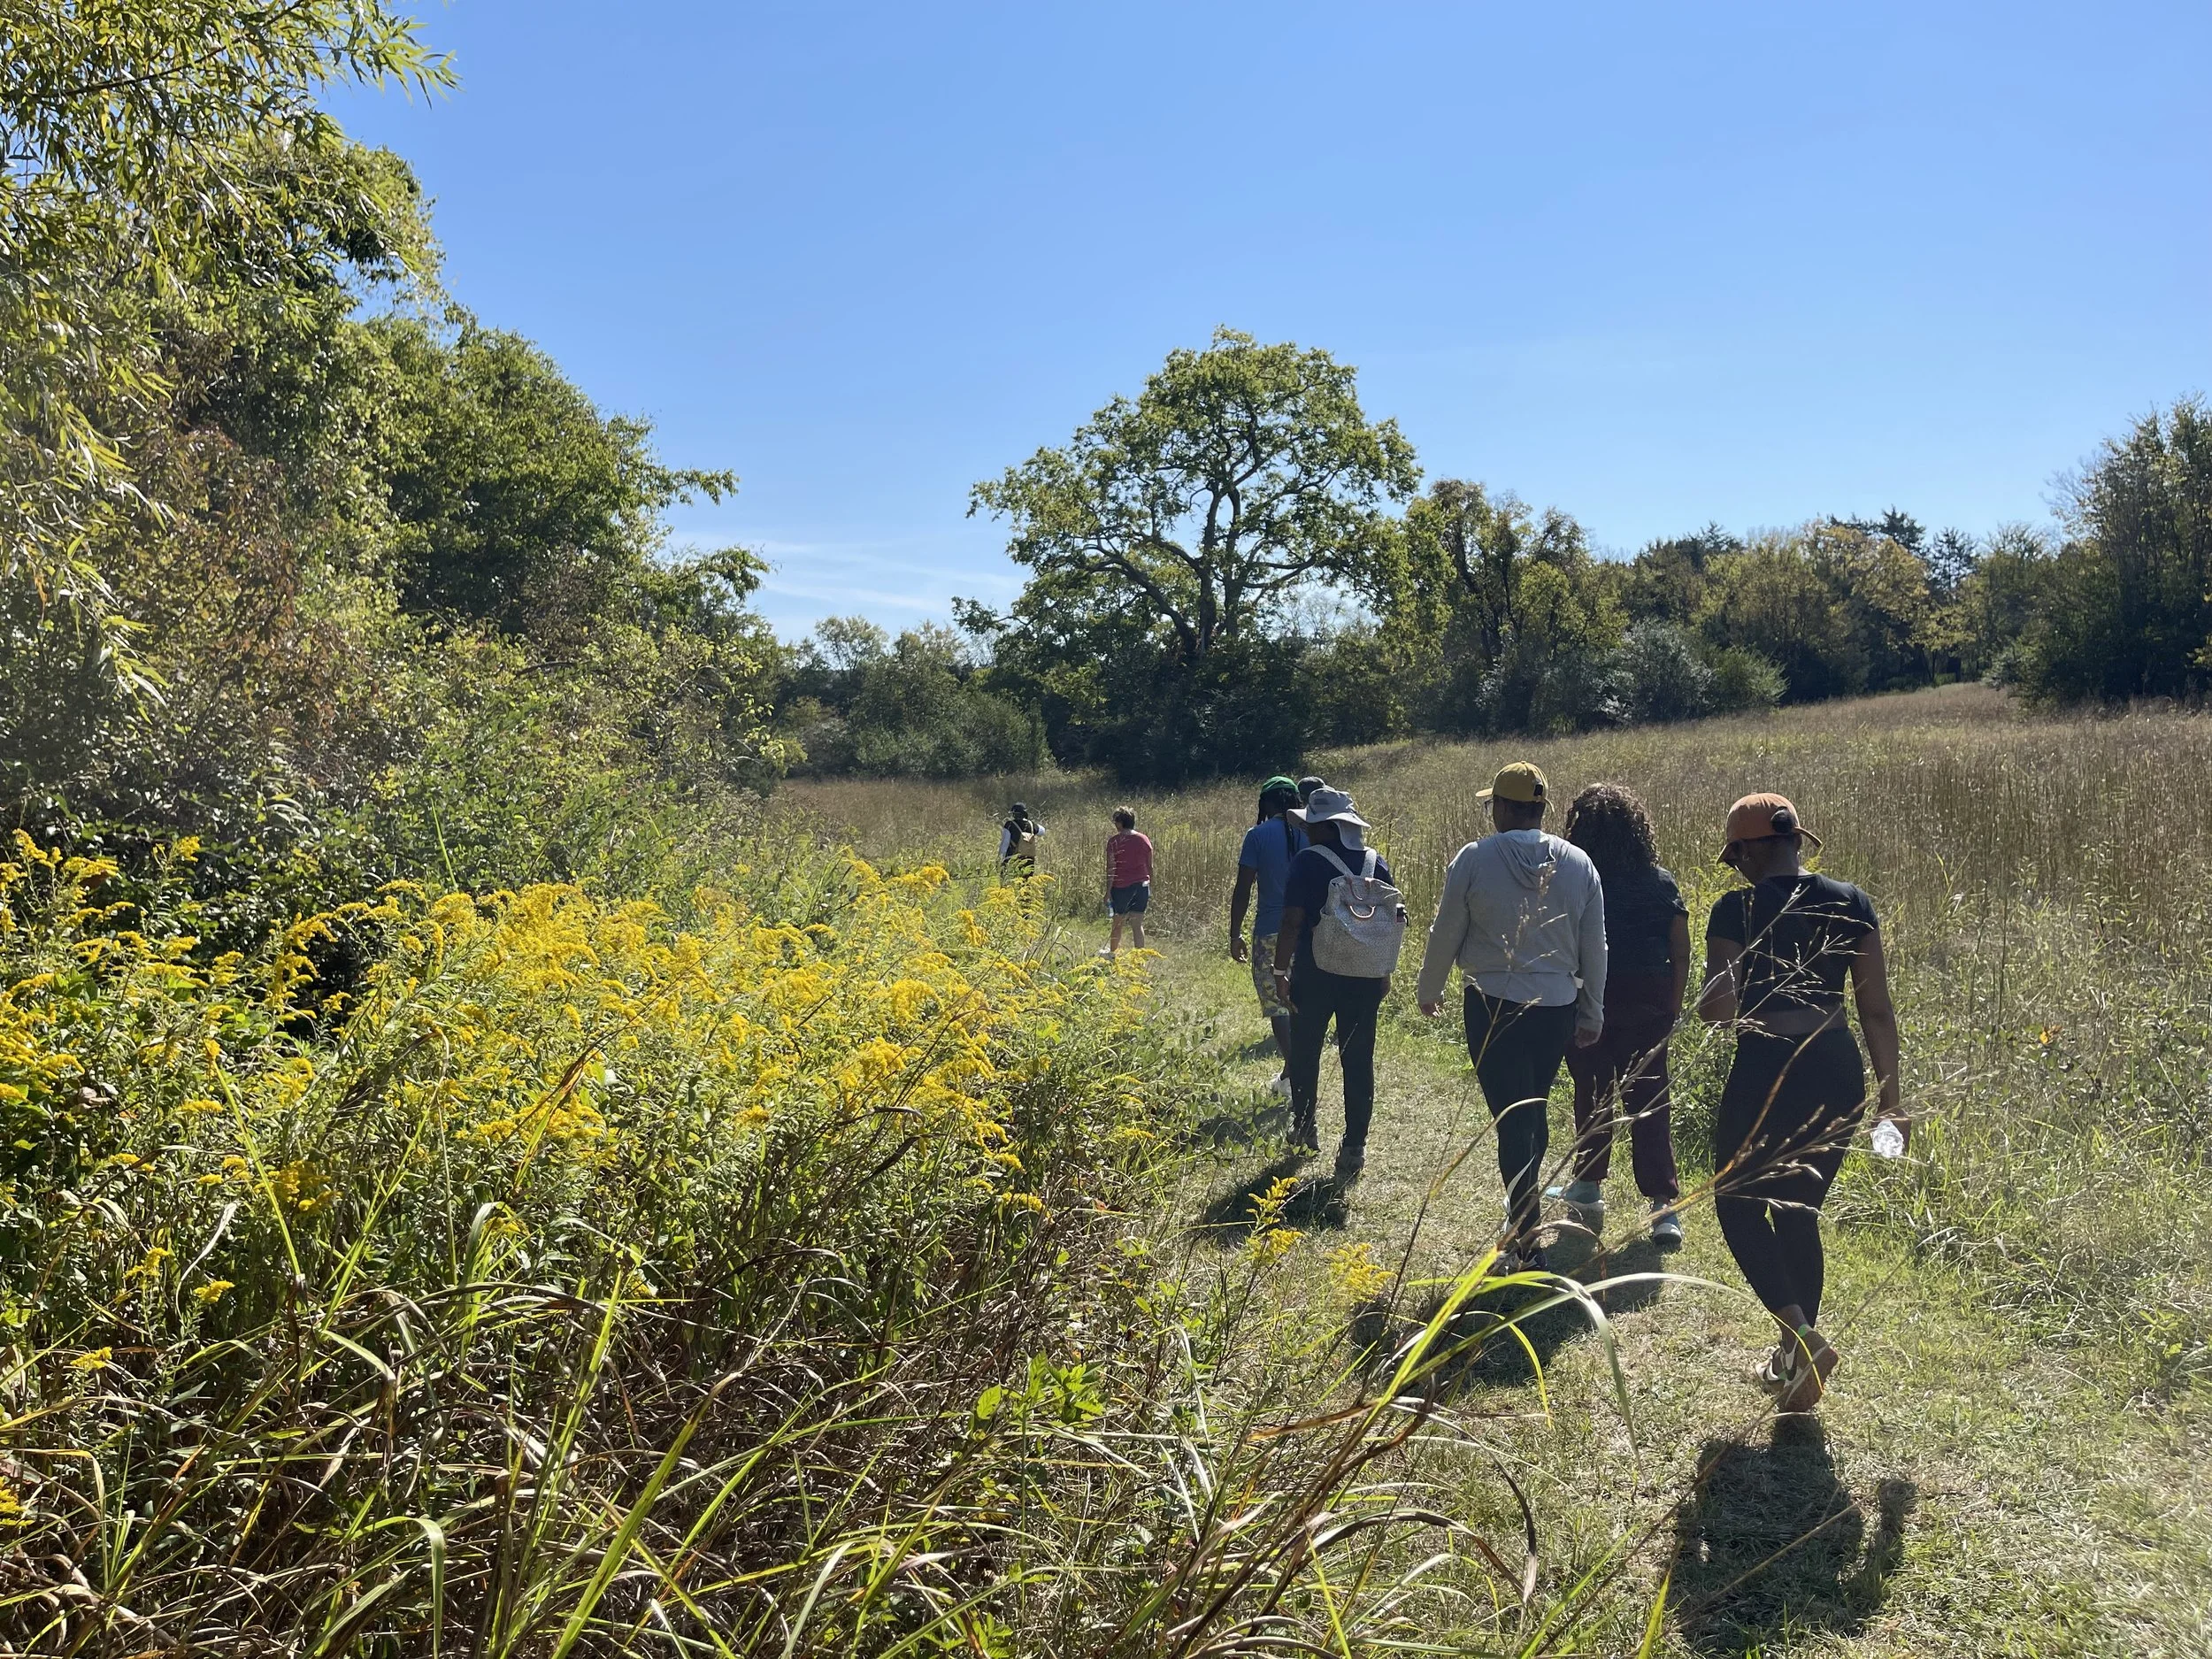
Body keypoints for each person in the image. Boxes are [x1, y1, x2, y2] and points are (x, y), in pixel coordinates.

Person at [1697, 793, 1904, 1415]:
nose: (1735, 867)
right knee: (1797, 1211)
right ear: (1796, 840)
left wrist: (1741, 987)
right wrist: (1890, 1102)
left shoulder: (1736, 907)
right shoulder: (1851, 901)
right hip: (1836, 1067)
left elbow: (1714, 1006)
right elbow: (1875, 1008)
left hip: (1767, 1067)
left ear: (1755, 847)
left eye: (1736, 855)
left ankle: (1803, 1337)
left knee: (1735, 1203)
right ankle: (1795, 1366)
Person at [1415, 762, 1606, 1271]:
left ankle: (1523, 1231)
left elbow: (1445, 928)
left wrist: (1429, 986)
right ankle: (1524, 1214)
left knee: (1513, 1118)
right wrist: (1593, 1008)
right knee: (1532, 1107)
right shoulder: (1579, 862)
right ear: (1540, 809)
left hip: (1490, 1002)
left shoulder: (1474, 858)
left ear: (1500, 807)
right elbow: (1595, 946)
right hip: (1557, 1007)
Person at [1554, 783, 1690, 1248]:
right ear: (1638, 830)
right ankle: (1663, 1209)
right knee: (1651, 1102)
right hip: (1650, 1000)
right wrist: (1673, 1003)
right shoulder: (1660, 881)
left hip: (1590, 999)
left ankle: (1588, 1187)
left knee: (1592, 1095)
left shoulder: (1575, 879)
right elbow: (1680, 948)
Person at [1272, 787, 1394, 1186]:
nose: (1306, 831)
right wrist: (1384, 971)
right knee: (1358, 1059)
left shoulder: (1308, 862)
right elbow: (1390, 924)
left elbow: (1292, 921)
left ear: (1324, 827)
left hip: (1315, 972)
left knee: (1306, 1051)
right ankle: (1354, 1145)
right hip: (1364, 977)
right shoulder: (1377, 862)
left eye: (1311, 825)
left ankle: (1306, 1128)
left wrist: (1279, 972)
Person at [1229, 776, 1306, 1092]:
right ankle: (1294, 1071)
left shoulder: (1257, 835)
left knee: (1277, 1003)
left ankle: (1294, 1071)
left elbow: (1244, 888)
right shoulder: (1310, 832)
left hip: (1270, 932)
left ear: (1267, 804)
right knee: (1302, 1000)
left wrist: (1235, 934)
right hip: (1309, 932)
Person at [1103, 807, 1153, 956]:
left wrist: (1108, 891)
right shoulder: (1144, 839)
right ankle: (1139, 960)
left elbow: (1111, 868)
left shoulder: (1114, 842)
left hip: (1121, 887)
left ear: (1120, 823)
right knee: (1137, 925)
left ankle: (1113, 955)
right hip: (1142, 885)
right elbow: (1150, 866)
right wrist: (1151, 886)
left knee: (1117, 923)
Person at [999, 803, 1044, 876]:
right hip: (1029, 862)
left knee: (1008, 885)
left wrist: (1000, 861)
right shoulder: (1032, 825)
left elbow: (1004, 845)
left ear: (1014, 814)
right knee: (1026, 885)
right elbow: (1042, 831)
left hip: (1012, 861)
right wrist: (1032, 824)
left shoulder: (1010, 825)